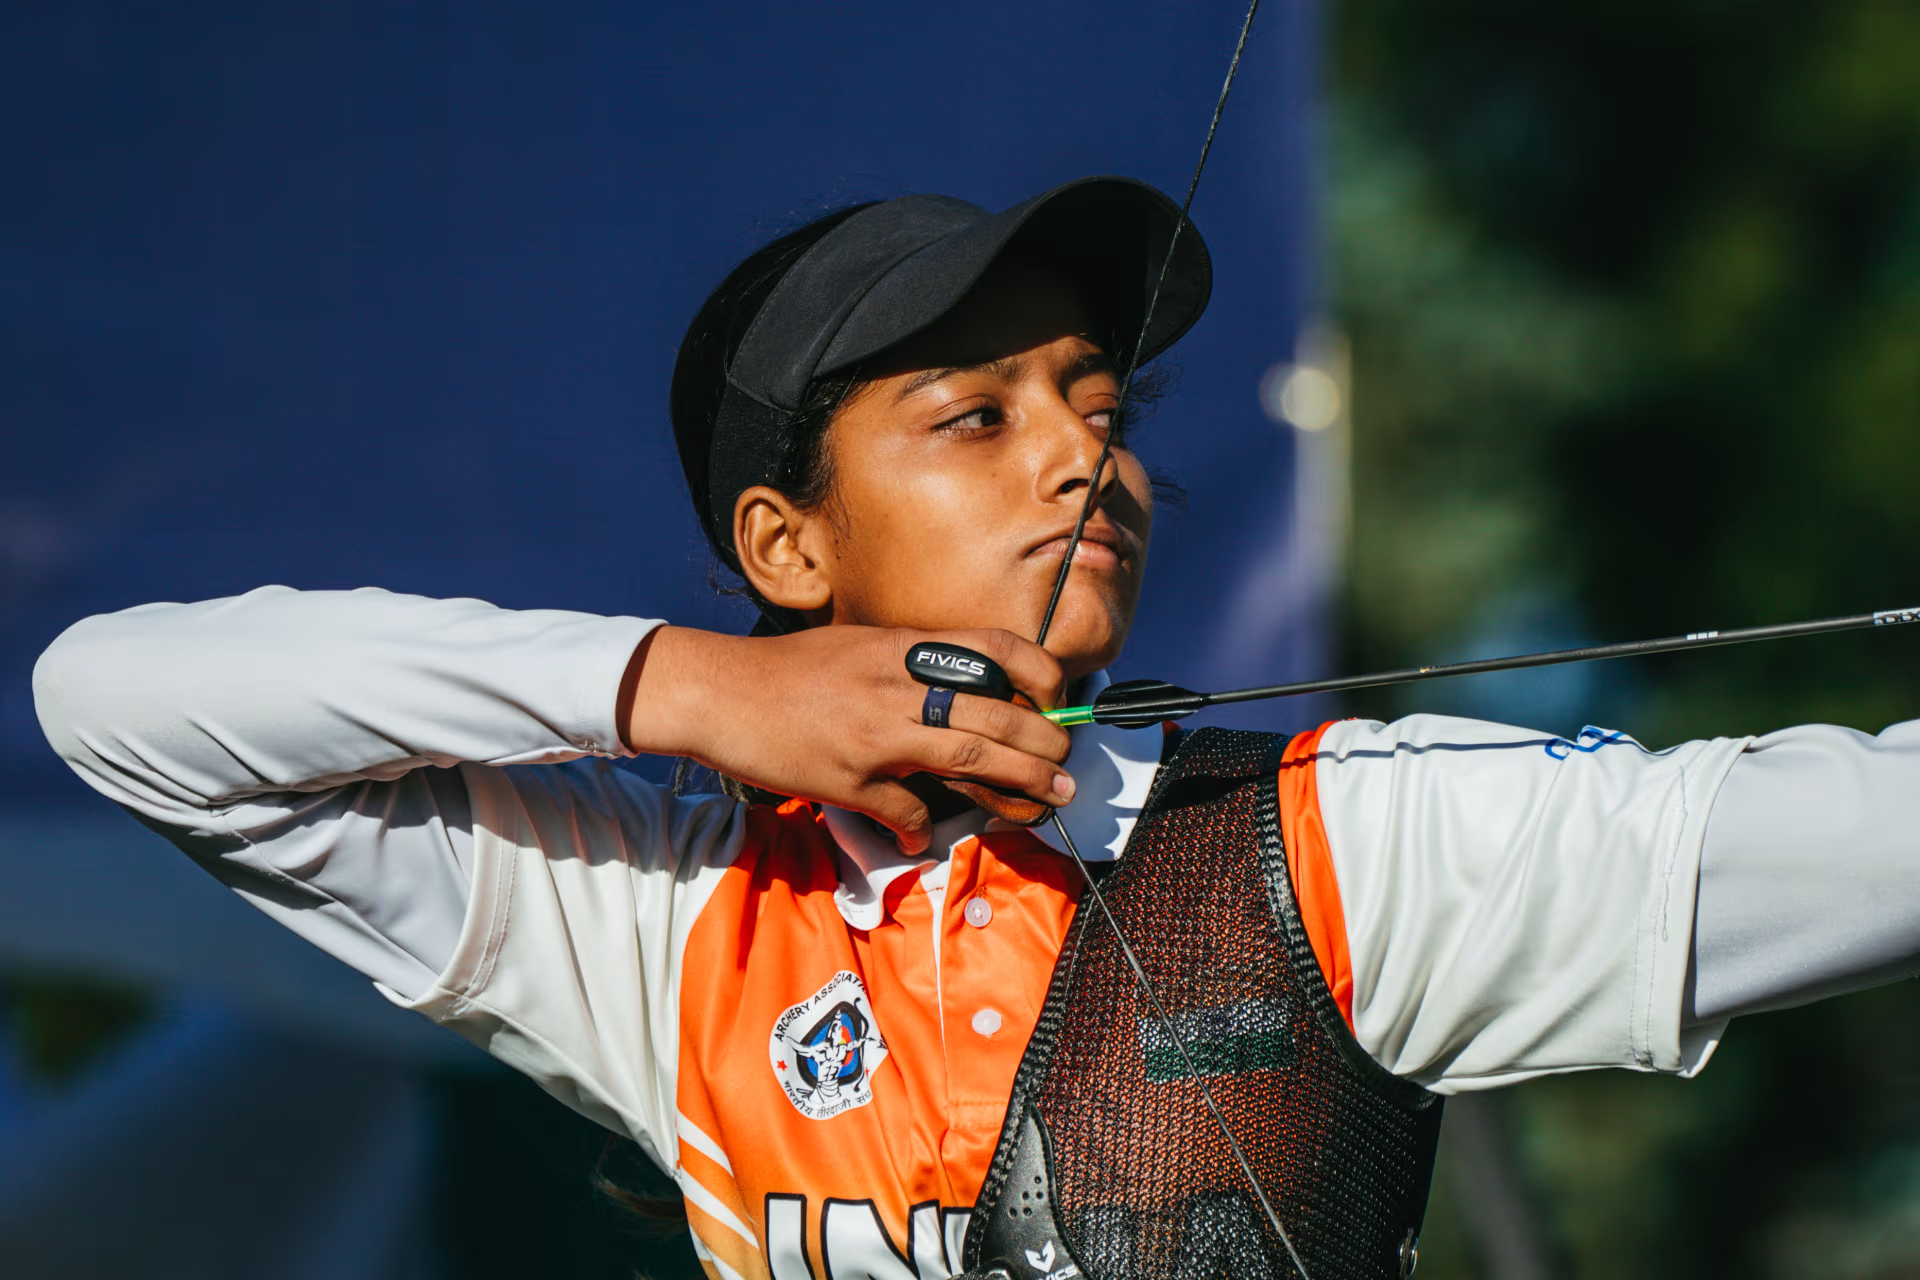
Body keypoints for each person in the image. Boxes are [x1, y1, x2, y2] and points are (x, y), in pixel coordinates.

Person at [31, 177, 1920, 1280]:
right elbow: (113, 703)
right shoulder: (651, 917)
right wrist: (697, 688)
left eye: (1103, 405)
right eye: (977, 416)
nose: (1085, 455)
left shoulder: (1345, 841)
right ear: (787, 546)